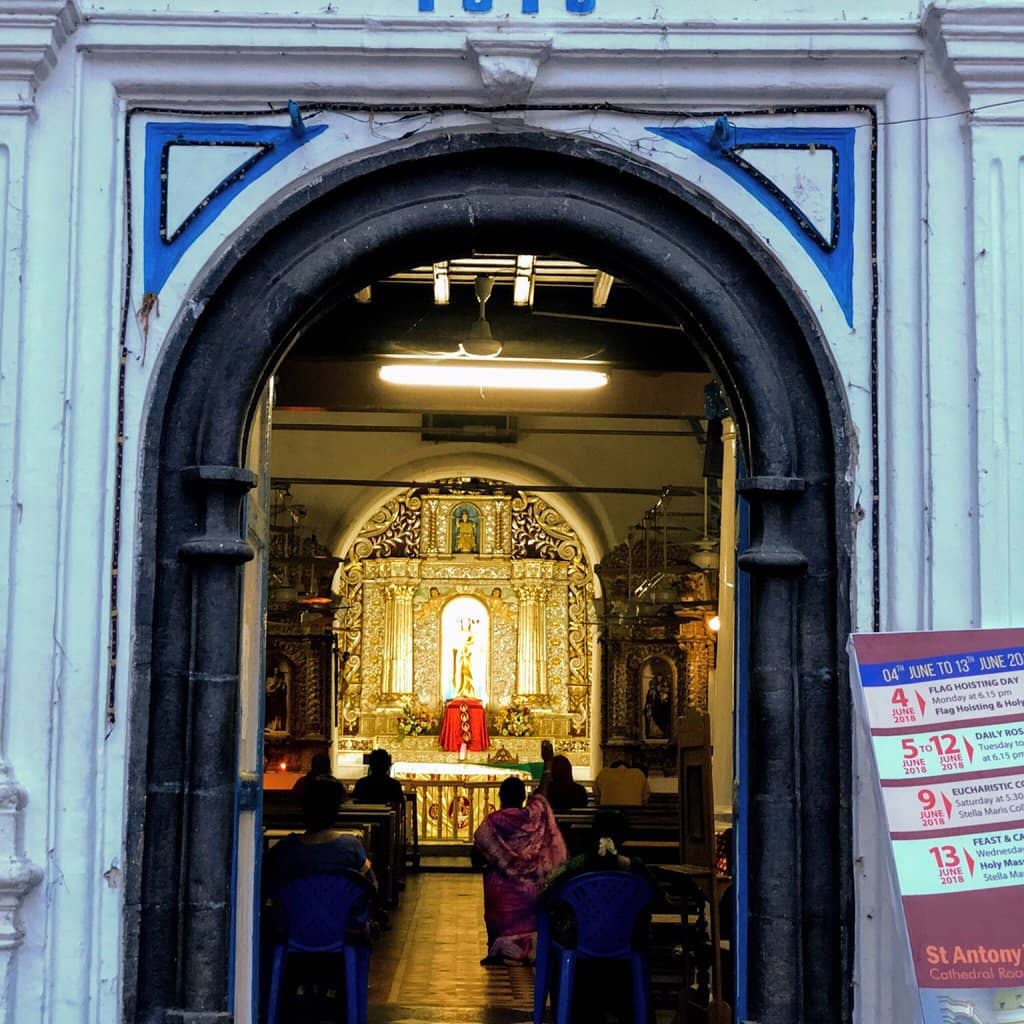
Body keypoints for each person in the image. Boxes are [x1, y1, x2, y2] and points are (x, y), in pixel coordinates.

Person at [261, 775, 377, 1020]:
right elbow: (371, 887)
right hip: (343, 933)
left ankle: (270, 1004)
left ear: (304, 808)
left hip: (291, 932)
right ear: (336, 809)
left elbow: (265, 887)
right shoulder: (351, 848)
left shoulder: (284, 850)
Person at [542, 809, 653, 1024]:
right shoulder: (637, 869)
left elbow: (548, 896)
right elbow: (658, 898)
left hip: (580, 951)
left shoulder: (575, 867)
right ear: (625, 836)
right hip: (626, 947)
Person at [472, 777, 568, 966]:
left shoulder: (493, 821)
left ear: (500, 796)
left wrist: (495, 859)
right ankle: (528, 948)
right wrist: (547, 764)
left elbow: (478, 852)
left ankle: (499, 948)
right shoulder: (532, 819)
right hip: (530, 889)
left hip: (501, 893)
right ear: (524, 797)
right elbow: (542, 797)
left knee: (496, 891)